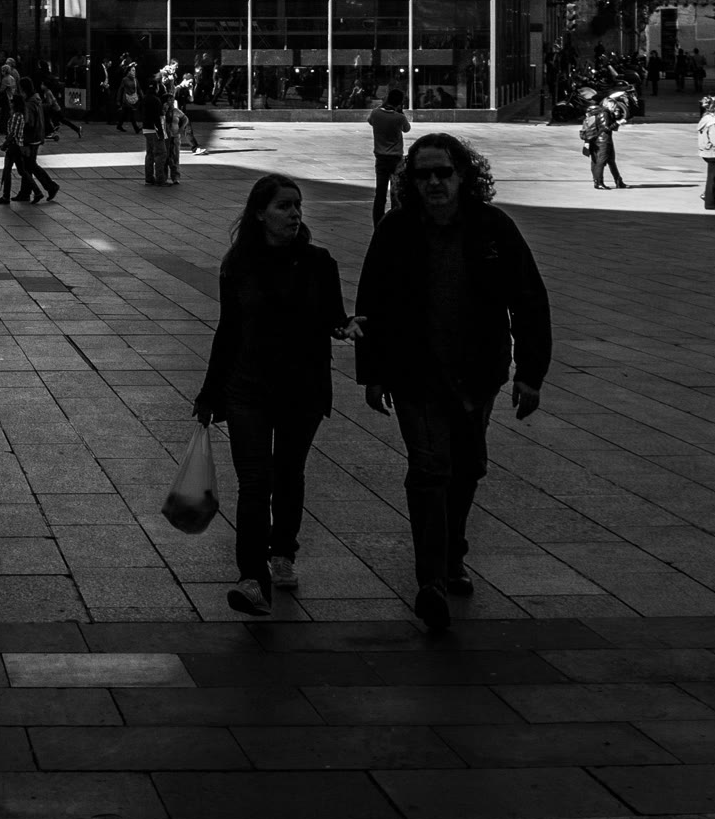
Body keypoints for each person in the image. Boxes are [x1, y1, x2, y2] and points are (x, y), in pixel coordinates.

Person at [356, 133, 552, 632]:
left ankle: (452, 553)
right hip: (415, 372)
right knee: (429, 469)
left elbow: (528, 299)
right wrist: (373, 372)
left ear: (463, 175)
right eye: (423, 174)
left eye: (443, 172)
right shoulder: (397, 230)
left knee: (467, 468)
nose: (434, 182)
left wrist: (530, 374)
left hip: (477, 372)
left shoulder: (492, 227)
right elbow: (372, 300)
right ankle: (431, 582)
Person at [194, 176, 358, 616]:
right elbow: (229, 330)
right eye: (284, 206)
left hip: (301, 389)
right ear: (260, 213)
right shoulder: (238, 264)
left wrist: (346, 326)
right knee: (254, 482)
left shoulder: (318, 262)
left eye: (297, 206)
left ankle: (283, 550)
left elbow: (333, 316)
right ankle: (252, 578)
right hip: (248, 388)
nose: (294, 214)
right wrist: (210, 392)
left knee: (288, 473)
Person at [367, 87, 412, 227]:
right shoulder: (399, 117)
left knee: (380, 194)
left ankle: (378, 224)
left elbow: (370, 121)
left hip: (381, 158)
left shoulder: (375, 113)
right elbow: (407, 129)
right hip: (396, 158)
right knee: (395, 193)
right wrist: (400, 111)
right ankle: (394, 223)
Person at [698, 95, 715, 210]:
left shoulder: (705, 118)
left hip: (707, 151)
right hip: (714, 153)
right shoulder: (714, 122)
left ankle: (707, 196)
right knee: (714, 178)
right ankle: (710, 202)